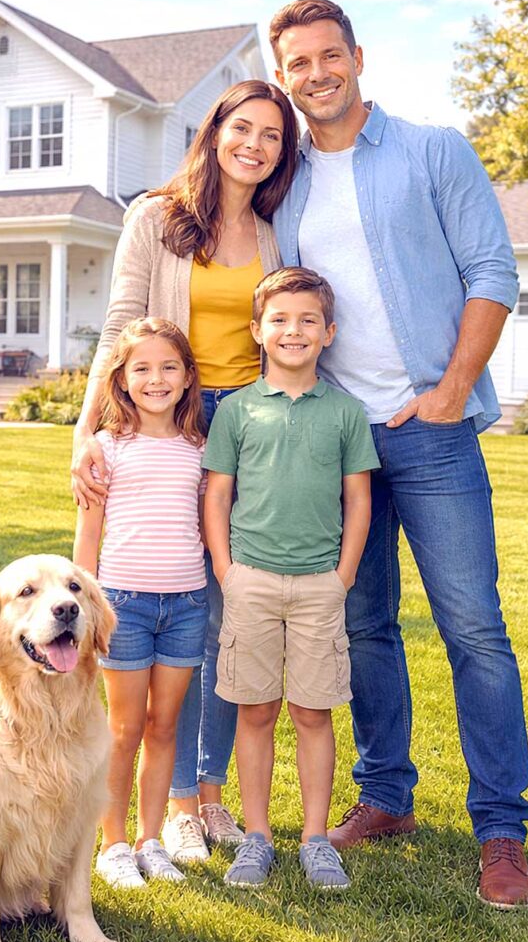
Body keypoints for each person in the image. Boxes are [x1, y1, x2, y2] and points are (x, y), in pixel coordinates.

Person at [268, 0, 528, 908]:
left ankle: (501, 830)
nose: (316, 74)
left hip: (433, 429)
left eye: (328, 55)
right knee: (363, 626)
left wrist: (454, 388)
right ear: (284, 76)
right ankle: (386, 797)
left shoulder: (432, 150)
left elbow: (492, 270)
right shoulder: (289, 184)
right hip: (341, 442)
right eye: (298, 63)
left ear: (357, 56)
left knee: (474, 628)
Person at [71, 80, 299, 864]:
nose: (254, 145)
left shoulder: (275, 231)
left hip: (250, 427)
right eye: (243, 128)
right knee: (174, 596)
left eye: (272, 134)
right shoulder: (155, 219)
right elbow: (119, 328)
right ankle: (172, 807)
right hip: (173, 411)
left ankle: (209, 793)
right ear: (214, 132)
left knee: (227, 612)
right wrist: (87, 430)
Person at [204, 267, 380, 888]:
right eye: (279, 319)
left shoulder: (346, 412)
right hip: (249, 582)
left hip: (318, 588)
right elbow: (217, 494)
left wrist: (342, 577)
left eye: (308, 320)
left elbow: (358, 500)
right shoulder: (237, 411)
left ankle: (314, 838)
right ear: (257, 330)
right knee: (255, 710)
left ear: (329, 333)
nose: (293, 330)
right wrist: (225, 570)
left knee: (312, 712)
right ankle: (256, 836)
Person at [73, 317, 208, 887]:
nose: (157, 379)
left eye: (169, 367)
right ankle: (114, 844)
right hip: (122, 605)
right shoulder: (104, 448)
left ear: (188, 377)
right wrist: (85, 609)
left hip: (186, 603)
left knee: (164, 726)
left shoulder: (199, 448)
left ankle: (152, 840)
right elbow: (88, 536)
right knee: (124, 729)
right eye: (143, 369)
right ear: (122, 380)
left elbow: (207, 522)